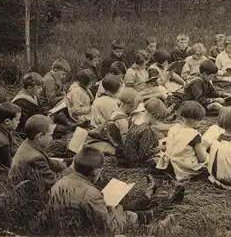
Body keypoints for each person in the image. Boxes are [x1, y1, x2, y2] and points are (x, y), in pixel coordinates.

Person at [49, 147, 185, 235]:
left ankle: (153, 200)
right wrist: (120, 213)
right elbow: (107, 229)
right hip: (85, 231)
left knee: (123, 211)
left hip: (69, 227)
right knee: (127, 214)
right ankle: (157, 229)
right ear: (96, 171)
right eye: (100, 172)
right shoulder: (91, 194)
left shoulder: (60, 181)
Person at [8, 115, 72, 192]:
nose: (52, 138)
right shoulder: (34, 159)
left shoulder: (30, 142)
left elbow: (49, 162)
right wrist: (72, 168)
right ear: (40, 136)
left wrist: (68, 162)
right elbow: (54, 181)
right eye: (51, 135)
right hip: (26, 195)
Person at [12, 72, 78, 139]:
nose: (41, 90)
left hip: (37, 119)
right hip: (30, 129)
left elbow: (39, 109)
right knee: (54, 130)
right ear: (29, 88)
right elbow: (25, 123)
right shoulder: (20, 102)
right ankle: (69, 130)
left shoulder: (33, 95)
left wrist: (47, 113)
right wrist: (44, 120)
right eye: (38, 88)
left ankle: (70, 126)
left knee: (58, 116)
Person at [155, 101, 208, 181]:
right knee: (208, 160)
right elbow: (202, 159)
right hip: (183, 166)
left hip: (170, 162)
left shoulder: (174, 128)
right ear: (195, 121)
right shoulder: (194, 135)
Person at [116, 98, 170, 167]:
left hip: (129, 156)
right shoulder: (146, 130)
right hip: (136, 162)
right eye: (158, 120)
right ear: (154, 116)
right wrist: (160, 148)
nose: (158, 122)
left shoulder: (136, 121)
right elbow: (144, 155)